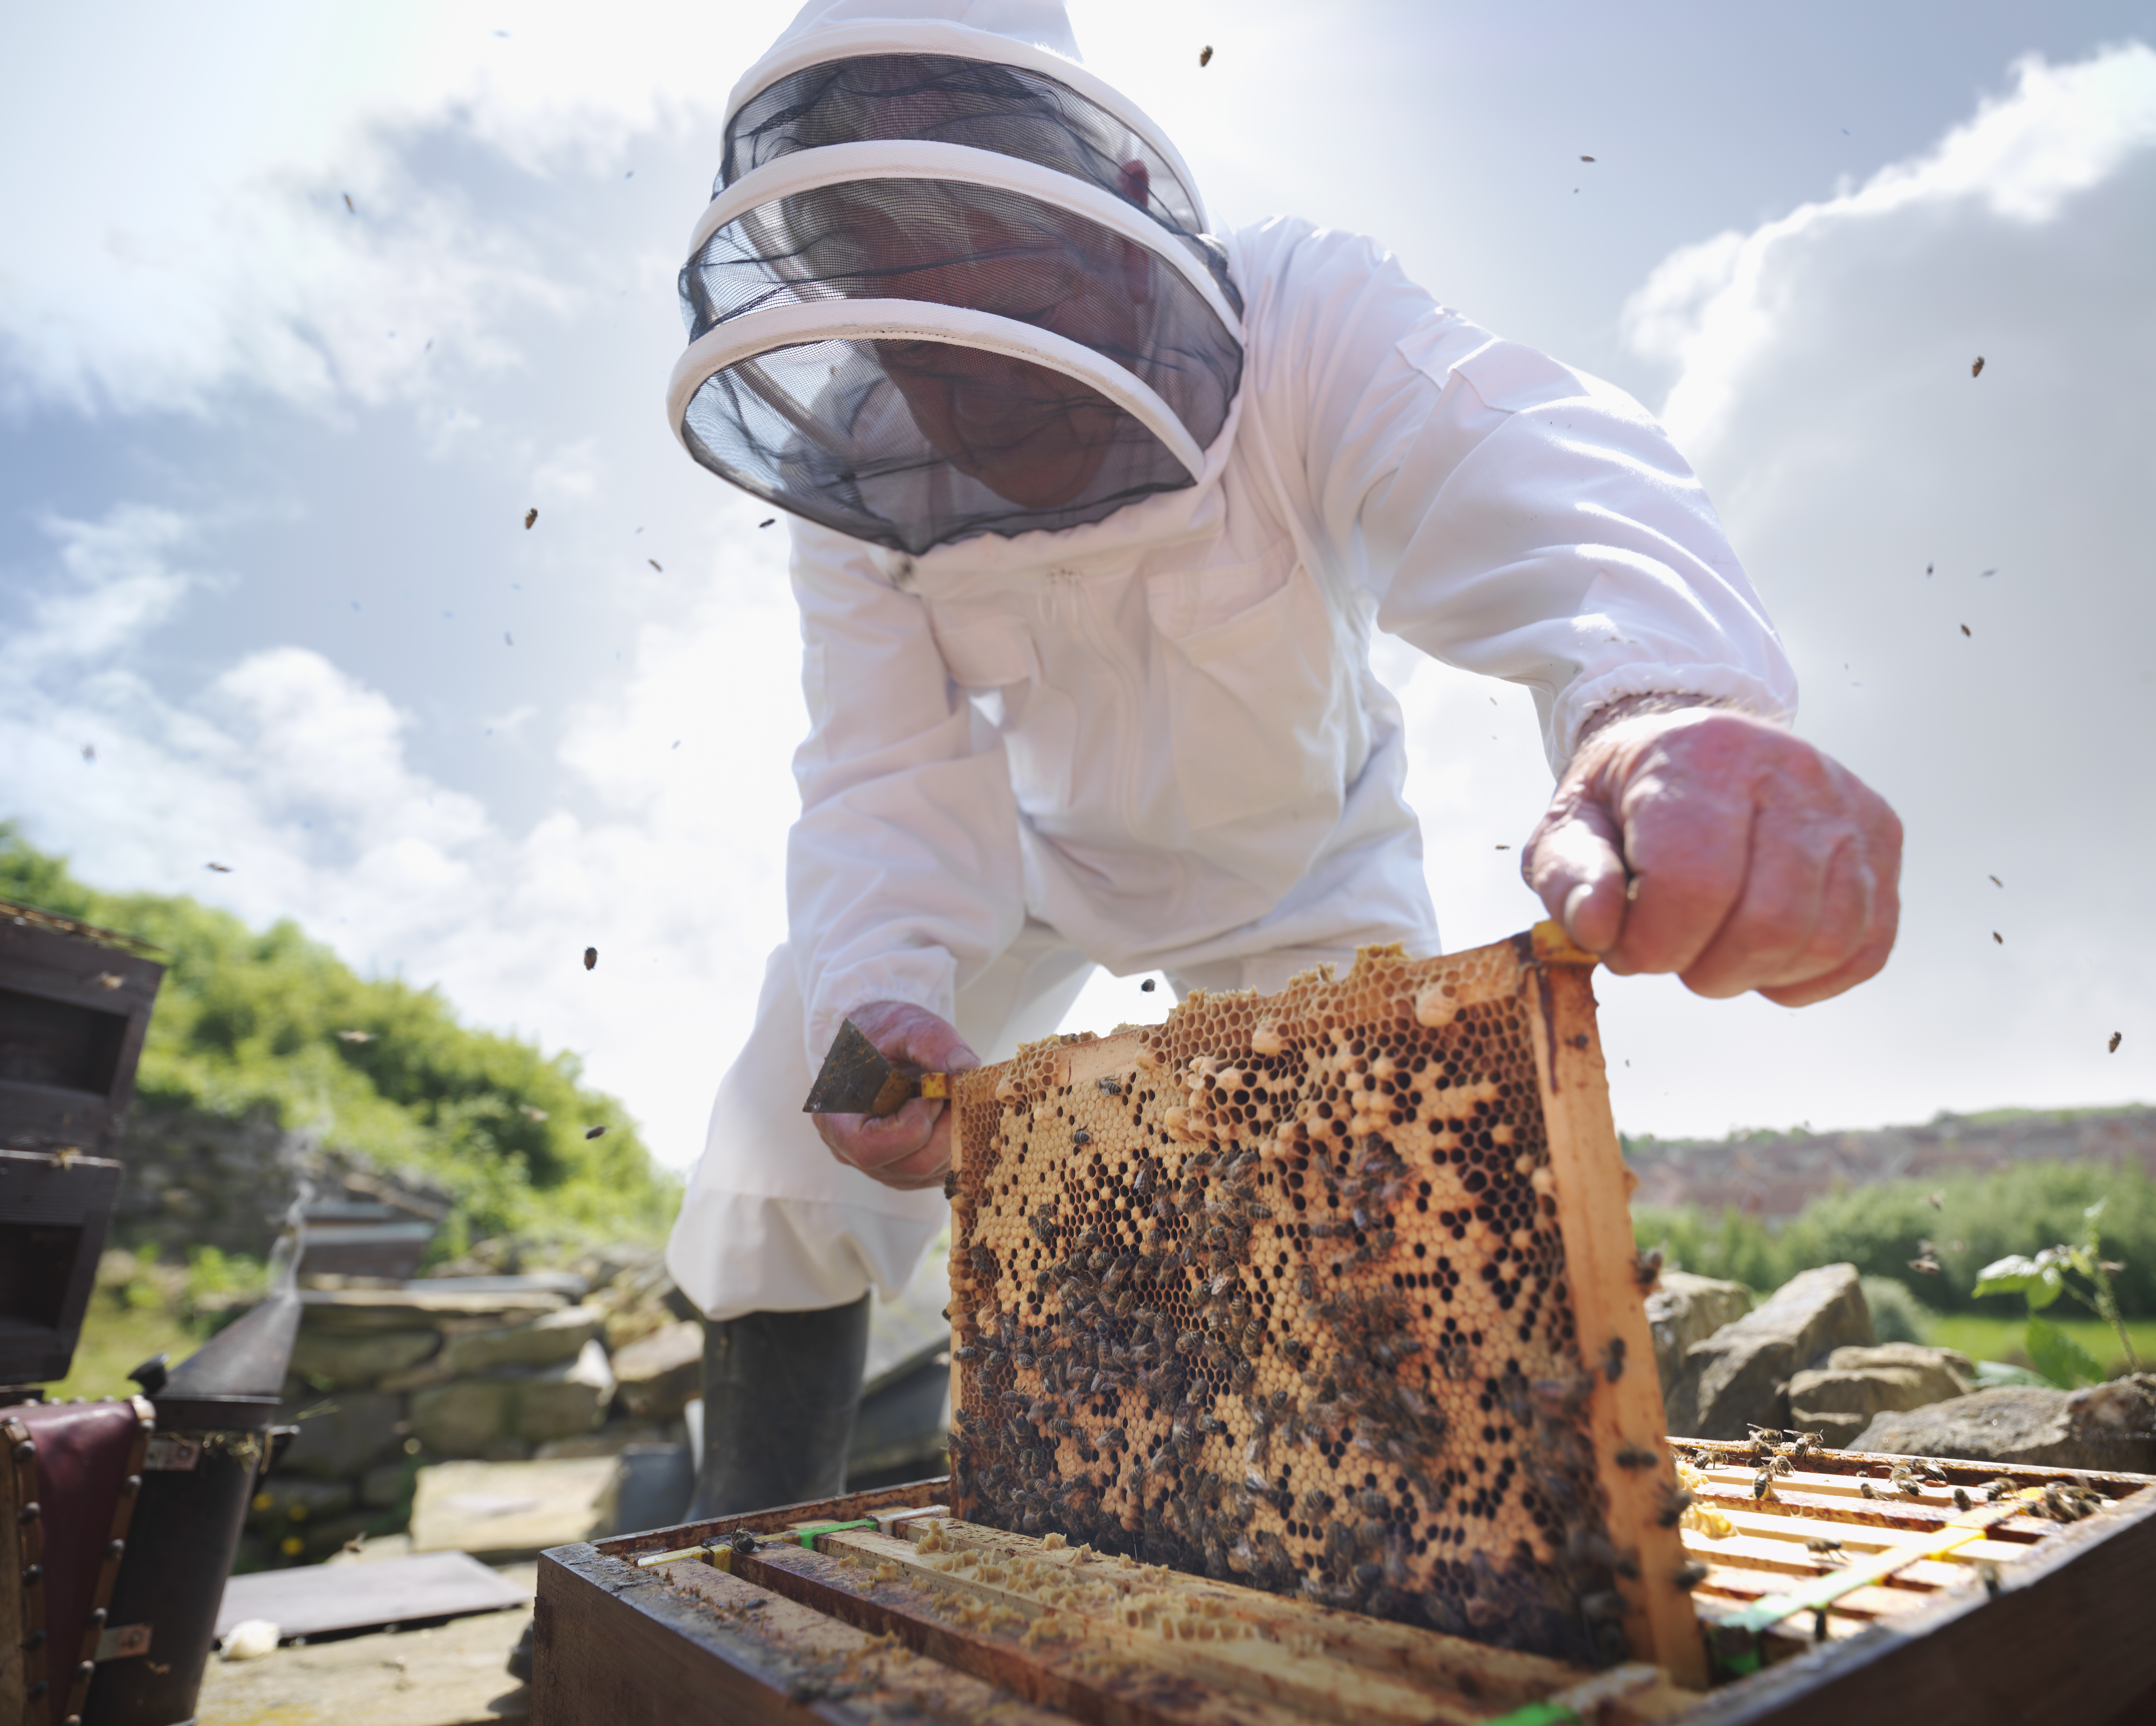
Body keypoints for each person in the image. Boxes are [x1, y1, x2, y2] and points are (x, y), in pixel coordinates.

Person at [661, 0, 1902, 1515]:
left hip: (1303, 868)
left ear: (1116, 201)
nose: (979, 406)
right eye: (915, 321)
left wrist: (1659, 697)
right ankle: (733, 1556)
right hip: (1028, 871)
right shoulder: (851, 465)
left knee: (1388, 1210)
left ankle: (1418, 1539)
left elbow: (1513, 450)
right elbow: (877, 771)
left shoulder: (1304, 311)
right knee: (783, 1133)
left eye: (989, 265)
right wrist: (881, 991)